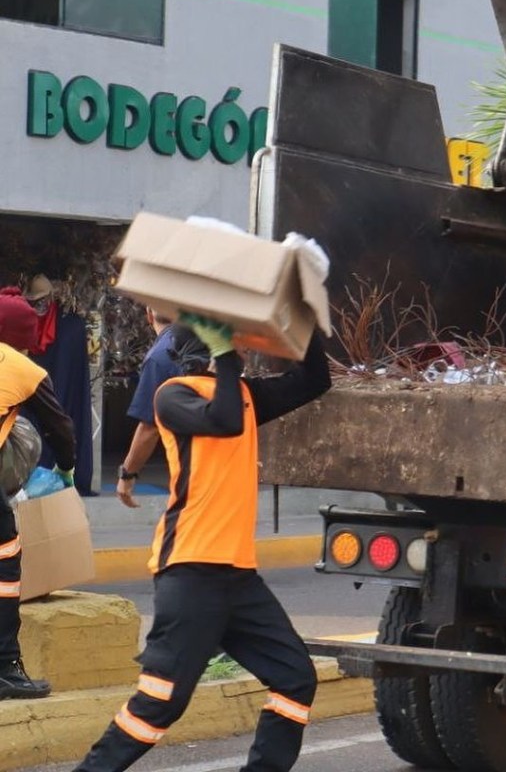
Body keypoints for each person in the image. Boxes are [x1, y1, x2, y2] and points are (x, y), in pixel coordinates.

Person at [74, 313, 331, 772]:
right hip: (190, 571)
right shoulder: (172, 396)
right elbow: (225, 420)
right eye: (232, 345)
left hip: (237, 577)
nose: (243, 353)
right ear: (208, 349)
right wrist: (227, 359)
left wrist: (306, 323)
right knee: (160, 703)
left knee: (295, 678)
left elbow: (314, 381)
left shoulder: (246, 395)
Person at [0, 287, 76, 701]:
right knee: (5, 567)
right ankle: (5, 668)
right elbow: (60, 428)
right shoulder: (23, 368)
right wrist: (65, 468)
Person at [25, 274, 95, 495]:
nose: (39, 305)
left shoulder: (70, 328)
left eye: (43, 299)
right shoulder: (23, 323)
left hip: (59, 390)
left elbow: (73, 372)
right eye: (34, 301)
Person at [116, 308, 181, 508]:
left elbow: (149, 428)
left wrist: (127, 475)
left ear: (149, 315)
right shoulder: (204, 344)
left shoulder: (159, 358)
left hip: (193, 466)